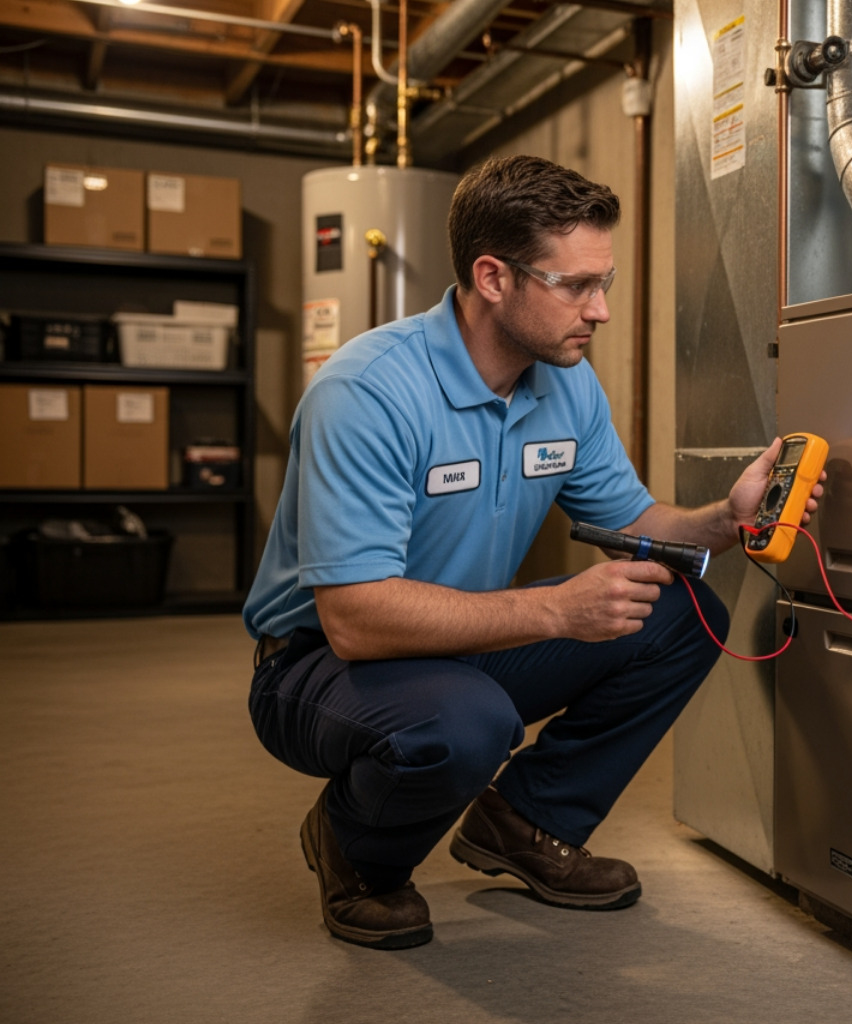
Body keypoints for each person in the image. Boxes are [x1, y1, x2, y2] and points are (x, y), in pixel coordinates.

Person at [243, 154, 818, 950]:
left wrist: (728, 517)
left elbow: (638, 522)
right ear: (492, 277)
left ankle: (524, 822)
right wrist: (555, 609)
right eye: (576, 285)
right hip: (317, 667)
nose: (601, 310)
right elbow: (356, 620)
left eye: (605, 282)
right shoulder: (369, 393)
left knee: (681, 611)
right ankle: (357, 852)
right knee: (467, 724)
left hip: (464, 640)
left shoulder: (565, 385)